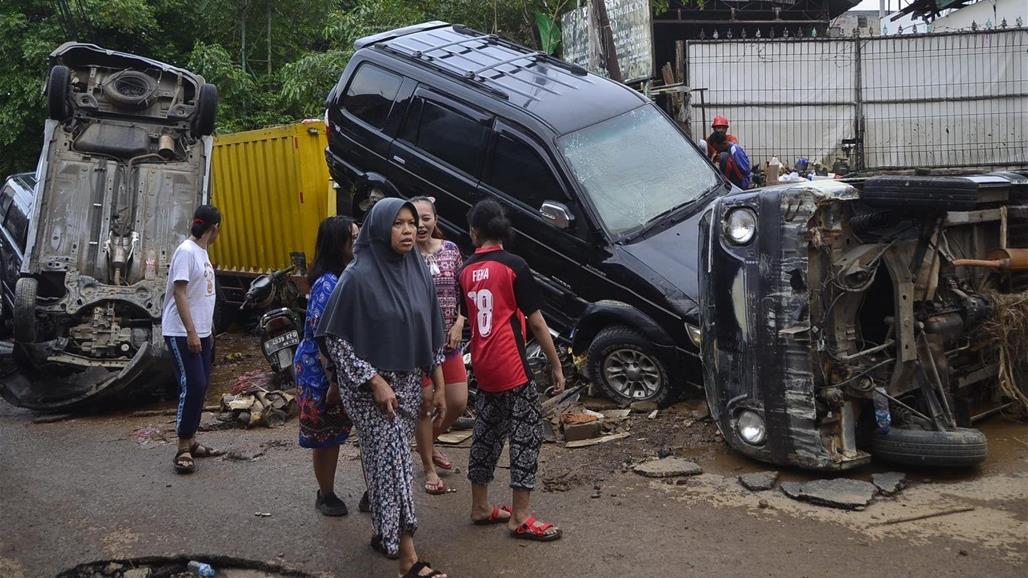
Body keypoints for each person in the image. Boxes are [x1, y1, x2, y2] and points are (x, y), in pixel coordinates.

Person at [317, 198, 448, 578]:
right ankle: (408, 557)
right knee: (395, 463)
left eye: (412, 223)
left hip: (407, 382)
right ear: (379, 229)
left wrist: (437, 384)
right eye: (399, 224)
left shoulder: (418, 270)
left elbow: (429, 331)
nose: (409, 230)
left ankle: (383, 532)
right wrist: (373, 380)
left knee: (384, 461)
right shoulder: (357, 276)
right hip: (369, 388)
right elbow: (336, 339)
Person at [460, 199, 566, 542]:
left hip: (483, 363)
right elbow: (536, 322)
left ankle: (479, 506)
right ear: (503, 230)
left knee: (487, 431)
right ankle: (520, 517)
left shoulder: (465, 270)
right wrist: (556, 364)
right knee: (525, 435)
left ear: (475, 232)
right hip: (511, 364)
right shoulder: (514, 265)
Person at [294, 216, 359, 516]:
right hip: (319, 369)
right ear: (338, 244)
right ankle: (326, 493)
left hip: (338, 368)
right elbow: (323, 336)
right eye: (352, 237)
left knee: (336, 431)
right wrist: (333, 380)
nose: (357, 242)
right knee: (325, 437)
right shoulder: (326, 284)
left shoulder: (348, 277)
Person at [410, 196, 468, 496]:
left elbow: (464, 292)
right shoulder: (405, 256)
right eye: (414, 219)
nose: (421, 225)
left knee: (457, 401)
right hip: (420, 347)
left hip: (450, 343)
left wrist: (460, 323)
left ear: (435, 219)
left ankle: (428, 444)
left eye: (426, 218)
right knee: (426, 405)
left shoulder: (451, 250)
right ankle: (429, 467)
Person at [163, 205, 224, 474]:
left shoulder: (202, 252)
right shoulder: (187, 251)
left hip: (202, 332)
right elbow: (180, 293)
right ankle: (182, 447)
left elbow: (203, 295)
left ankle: (192, 438)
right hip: (181, 331)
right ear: (215, 228)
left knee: (202, 386)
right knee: (193, 385)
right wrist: (190, 331)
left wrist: (207, 330)